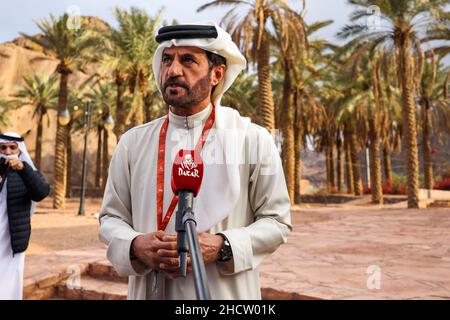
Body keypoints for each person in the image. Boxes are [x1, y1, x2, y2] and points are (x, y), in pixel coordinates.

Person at [99, 21, 291, 300]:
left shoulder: (252, 139)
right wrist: (136, 245)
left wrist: (222, 246)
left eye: (188, 60)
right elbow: (110, 218)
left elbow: (277, 221)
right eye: (167, 59)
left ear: (217, 74)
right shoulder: (133, 142)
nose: (173, 70)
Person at [0, 132, 50, 299]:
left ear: (19, 150)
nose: (7, 151)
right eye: (3, 147)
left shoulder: (28, 172)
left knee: (8, 282)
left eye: (12, 147)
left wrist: (23, 169)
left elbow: (41, 193)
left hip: (13, 239)